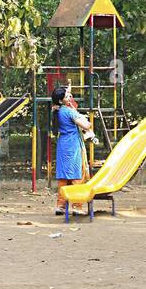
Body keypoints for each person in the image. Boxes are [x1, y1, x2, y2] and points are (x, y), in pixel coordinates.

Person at [52, 86, 92, 216]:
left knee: (64, 175)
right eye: (67, 95)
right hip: (73, 144)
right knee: (76, 174)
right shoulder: (69, 112)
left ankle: (61, 205)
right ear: (61, 100)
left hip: (63, 144)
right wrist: (86, 121)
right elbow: (86, 126)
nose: (70, 96)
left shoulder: (57, 111)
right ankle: (76, 206)